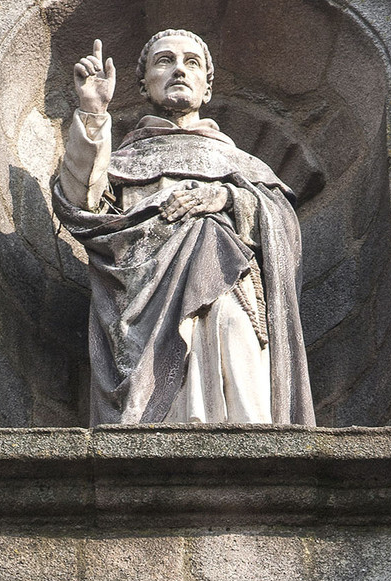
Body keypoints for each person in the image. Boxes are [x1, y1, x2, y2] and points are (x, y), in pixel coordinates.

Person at [51, 27, 315, 427]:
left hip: (230, 287)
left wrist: (227, 200)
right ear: (143, 84)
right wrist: (91, 111)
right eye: (165, 61)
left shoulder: (242, 164)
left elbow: (285, 234)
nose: (179, 70)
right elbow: (80, 205)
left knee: (232, 331)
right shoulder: (123, 160)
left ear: (206, 89)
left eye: (191, 63)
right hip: (143, 301)